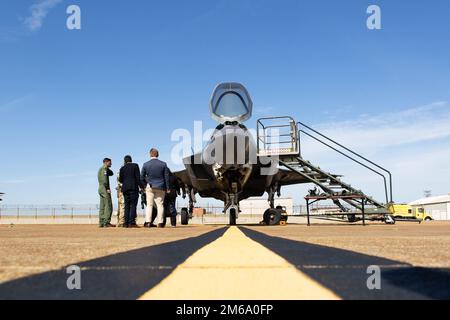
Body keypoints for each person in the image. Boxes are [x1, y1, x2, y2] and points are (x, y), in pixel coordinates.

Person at [140, 148, 170, 228]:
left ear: (150, 154)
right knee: (160, 205)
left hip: (150, 186)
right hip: (160, 187)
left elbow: (141, 177)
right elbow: (166, 177)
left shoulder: (146, 164)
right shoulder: (163, 164)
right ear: (158, 154)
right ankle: (160, 223)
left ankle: (148, 222)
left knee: (149, 205)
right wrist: (167, 188)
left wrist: (144, 185)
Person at [119, 155, 142, 228]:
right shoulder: (135, 166)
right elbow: (138, 178)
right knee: (133, 205)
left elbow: (120, 180)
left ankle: (126, 223)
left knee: (127, 205)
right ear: (131, 160)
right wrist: (142, 186)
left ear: (124, 161)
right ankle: (131, 223)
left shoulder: (122, 168)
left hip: (125, 189)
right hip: (133, 188)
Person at [98, 158, 114, 228]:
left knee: (102, 205)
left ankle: (101, 222)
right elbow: (104, 180)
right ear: (106, 162)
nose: (111, 164)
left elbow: (111, 173)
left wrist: (107, 168)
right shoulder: (104, 169)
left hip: (100, 188)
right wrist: (107, 188)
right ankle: (106, 222)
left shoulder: (102, 169)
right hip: (104, 188)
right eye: (110, 163)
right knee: (108, 205)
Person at [116, 162, 126, 227]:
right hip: (123, 190)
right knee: (123, 206)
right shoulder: (123, 172)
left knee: (120, 206)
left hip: (120, 190)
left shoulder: (119, 172)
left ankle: (119, 221)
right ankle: (121, 222)